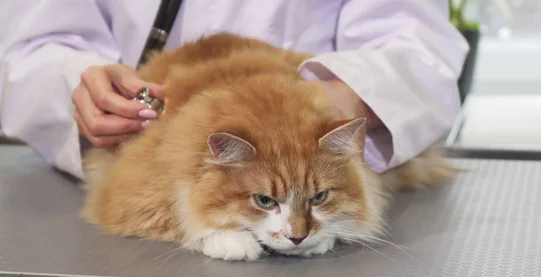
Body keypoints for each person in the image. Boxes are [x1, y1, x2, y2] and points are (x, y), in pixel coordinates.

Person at [0, 0, 468, 180]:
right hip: (137, 170)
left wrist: (348, 97)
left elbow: (419, 48)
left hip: (322, 185)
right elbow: (33, 44)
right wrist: (78, 82)